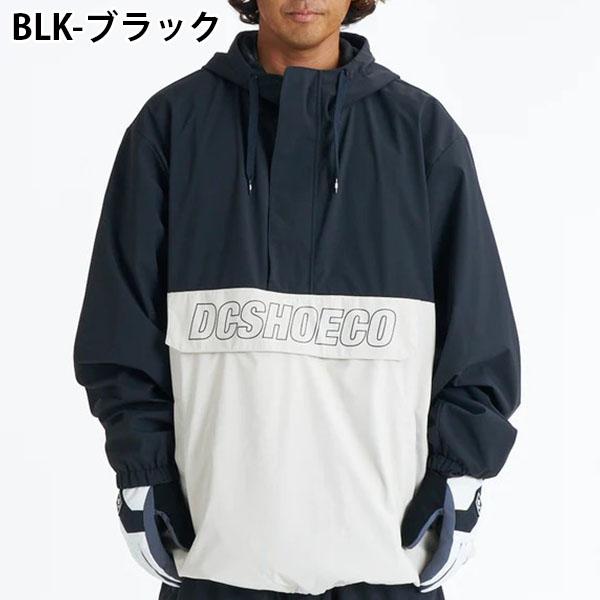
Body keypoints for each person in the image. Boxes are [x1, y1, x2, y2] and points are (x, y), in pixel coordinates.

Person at [73, 1, 521, 599]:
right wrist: (142, 473)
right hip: (214, 556)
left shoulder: (420, 133)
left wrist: (460, 475)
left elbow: (480, 334)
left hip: (385, 559)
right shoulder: (171, 126)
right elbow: (120, 325)